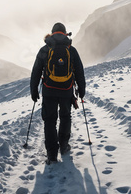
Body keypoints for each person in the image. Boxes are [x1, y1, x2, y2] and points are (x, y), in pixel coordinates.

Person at [30, 22, 86, 164]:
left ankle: (52, 154)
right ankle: (64, 146)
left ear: (52, 34)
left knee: (50, 121)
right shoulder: (71, 50)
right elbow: (79, 70)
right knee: (65, 117)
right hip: (66, 90)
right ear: (65, 33)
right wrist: (82, 89)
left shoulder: (45, 49)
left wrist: (34, 90)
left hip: (49, 90)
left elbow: (36, 71)